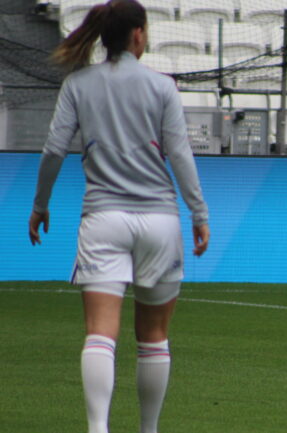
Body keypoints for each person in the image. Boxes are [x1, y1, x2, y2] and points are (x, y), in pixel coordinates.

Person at [27, 1, 210, 432]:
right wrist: (199, 212)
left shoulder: (78, 84)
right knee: (153, 336)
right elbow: (180, 154)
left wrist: (40, 205)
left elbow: (54, 149)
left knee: (99, 333)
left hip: (102, 220)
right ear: (138, 35)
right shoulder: (162, 86)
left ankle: (97, 429)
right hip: (160, 222)